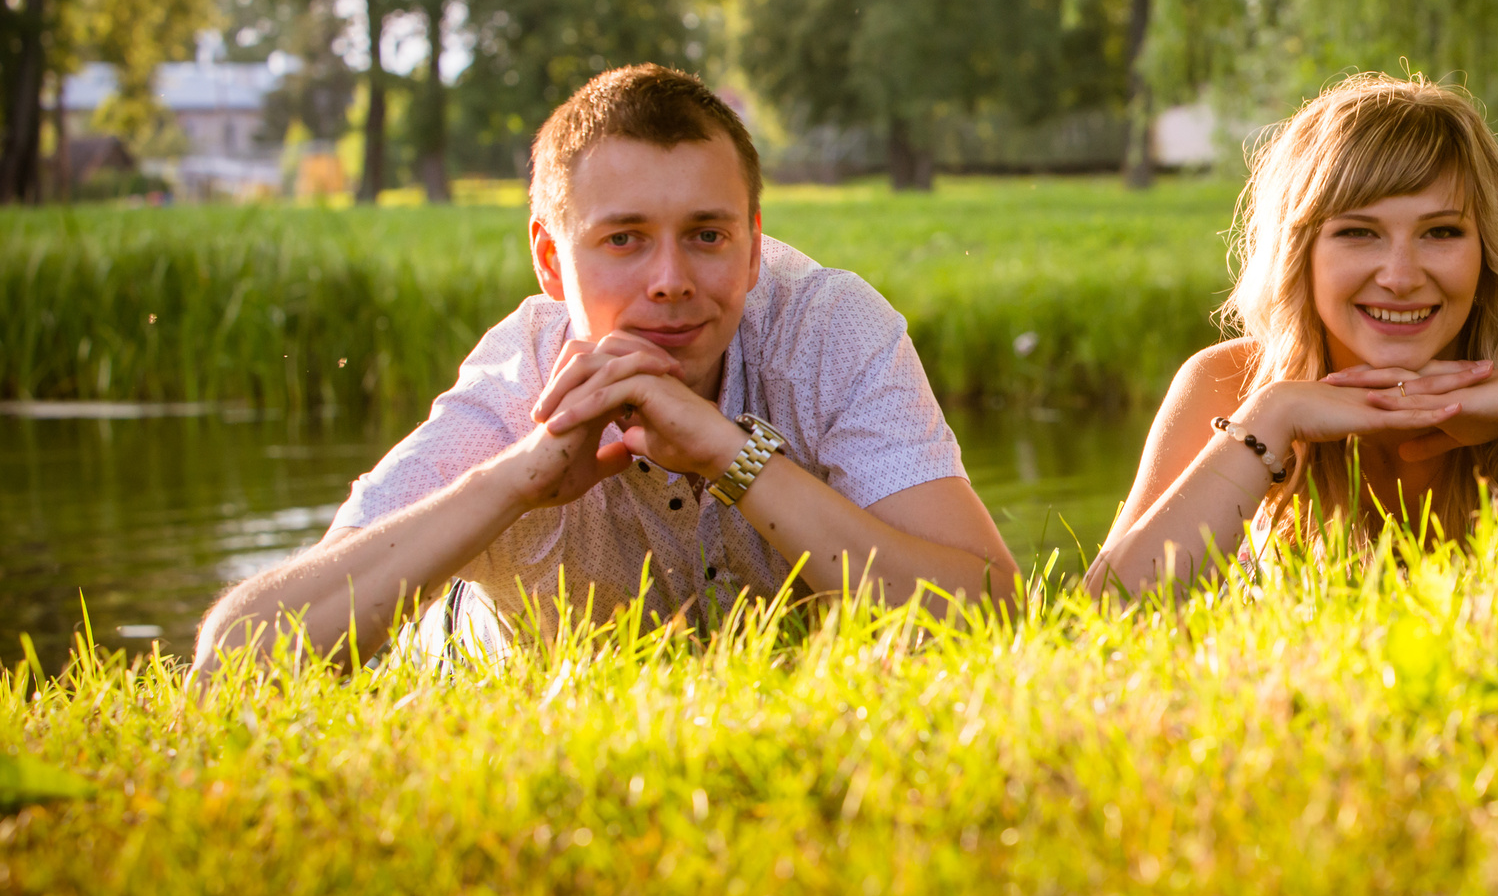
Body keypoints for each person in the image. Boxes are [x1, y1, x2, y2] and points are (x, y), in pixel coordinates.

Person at [192, 65, 1017, 681]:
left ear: (755, 242)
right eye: (623, 239)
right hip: (500, 689)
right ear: (551, 261)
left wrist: (731, 458)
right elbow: (236, 657)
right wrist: (521, 477)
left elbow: (995, 614)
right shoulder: (515, 386)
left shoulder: (828, 328)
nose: (669, 279)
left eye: (707, 234)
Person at [1086, 73, 1498, 599]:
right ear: (1301, 255)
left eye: (1441, 232)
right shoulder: (1229, 385)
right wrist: (1274, 416)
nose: (1401, 277)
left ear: (1485, 248)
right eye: (1358, 233)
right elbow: (1113, 611)